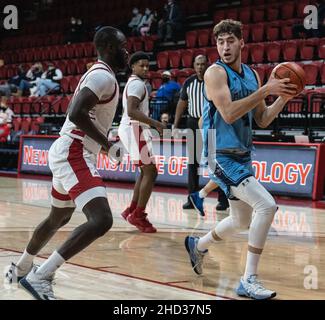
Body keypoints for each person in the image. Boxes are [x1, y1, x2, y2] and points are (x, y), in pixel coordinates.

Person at [5, 26, 128, 300]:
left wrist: (104, 143)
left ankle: (22, 267)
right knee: (102, 219)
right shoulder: (102, 76)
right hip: (74, 151)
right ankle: (41, 275)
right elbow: (75, 113)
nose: (127, 51)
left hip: (68, 149)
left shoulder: (99, 75)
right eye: (123, 46)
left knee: (58, 217)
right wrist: (107, 144)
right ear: (109, 46)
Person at [184, 19, 297, 300]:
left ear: (242, 42)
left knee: (240, 220)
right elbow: (229, 114)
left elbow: (262, 118)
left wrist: (283, 96)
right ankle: (249, 279)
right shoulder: (214, 73)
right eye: (220, 42)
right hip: (219, 154)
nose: (225, 47)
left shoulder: (251, 75)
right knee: (267, 206)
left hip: (242, 153)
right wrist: (265, 91)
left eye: (230, 41)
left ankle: (198, 245)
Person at [173, 55, 228, 212]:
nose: (200, 67)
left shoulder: (214, 81)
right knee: (193, 163)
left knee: (215, 163)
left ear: (207, 65)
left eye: (203, 64)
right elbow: (181, 103)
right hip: (192, 123)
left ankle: (222, 200)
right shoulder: (189, 82)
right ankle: (192, 198)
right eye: (197, 64)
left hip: (211, 123)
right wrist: (175, 125)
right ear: (194, 65)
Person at [118, 51, 166, 233]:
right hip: (134, 128)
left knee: (145, 171)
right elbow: (131, 110)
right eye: (142, 65)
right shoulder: (138, 84)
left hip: (132, 128)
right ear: (133, 66)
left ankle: (132, 208)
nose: (146, 68)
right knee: (151, 172)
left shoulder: (134, 83)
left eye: (147, 65)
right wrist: (156, 124)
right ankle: (138, 215)